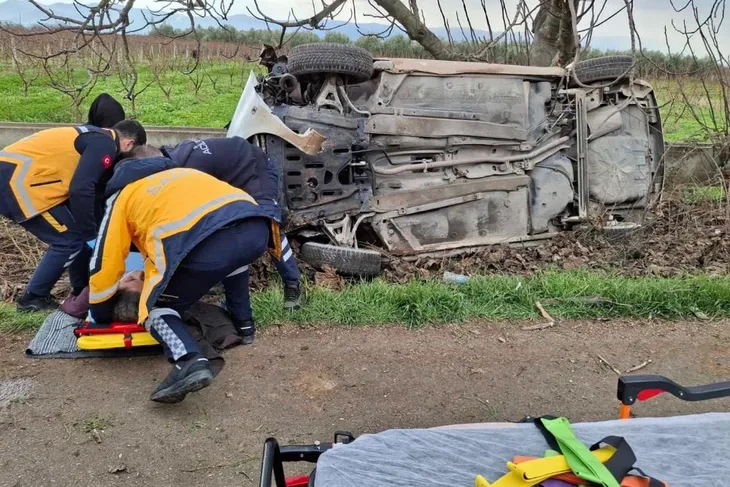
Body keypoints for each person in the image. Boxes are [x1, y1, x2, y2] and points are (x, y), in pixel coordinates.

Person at [88, 155, 280, 403]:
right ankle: (244, 325)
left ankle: (189, 360)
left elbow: (105, 258)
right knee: (233, 262)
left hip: (204, 241)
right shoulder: (181, 173)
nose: (131, 274)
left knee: (155, 307)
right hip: (256, 228)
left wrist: (100, 313)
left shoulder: (123, 196)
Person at [0, 121, 147, 312]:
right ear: (128, 143)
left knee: (75, 238)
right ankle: (32, 299)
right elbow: (81, 189)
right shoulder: (106, 145)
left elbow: (86, 191)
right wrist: (91, 236)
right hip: (19, 183)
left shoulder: (95, 136)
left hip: (23, 179)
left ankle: (79, 289)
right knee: (70, 241)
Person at [142, 137, 303, 310]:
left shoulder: (187, 170)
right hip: (230, 181)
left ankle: (293, 284)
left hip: (255, 170)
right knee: (223, 232)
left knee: (269, 225)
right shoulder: (174, 160)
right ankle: (232, 299)